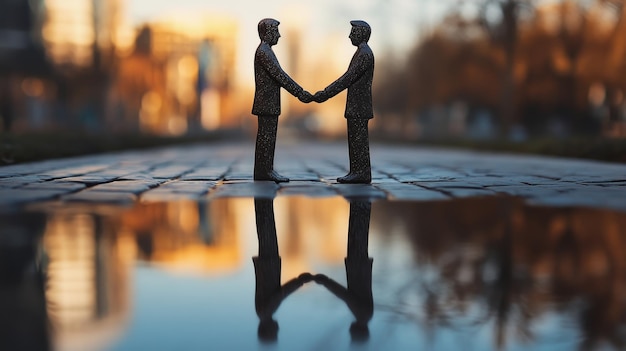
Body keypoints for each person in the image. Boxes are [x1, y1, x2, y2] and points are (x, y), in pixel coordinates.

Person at [253, 18, 313, 182]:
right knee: (266, 137)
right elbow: (281, 76)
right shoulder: (264, 52)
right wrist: (300, 92)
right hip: (267, 103)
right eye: (276, 31)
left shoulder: (266, 51)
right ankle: (264, 171)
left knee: (268, 137)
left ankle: (265, 170)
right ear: (268, 32)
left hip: (268, 103)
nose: (279, 35)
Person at [314, 20, 374, 184]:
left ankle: (361, 172)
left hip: (359, 106)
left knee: (359, 140)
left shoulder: (364, 54)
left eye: (353, 32)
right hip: (357, 106)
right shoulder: (362, 53)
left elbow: (347, 78)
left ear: (361, 33)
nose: (349, 36)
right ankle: (357, 171)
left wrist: (326, 93)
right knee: (355, 140)